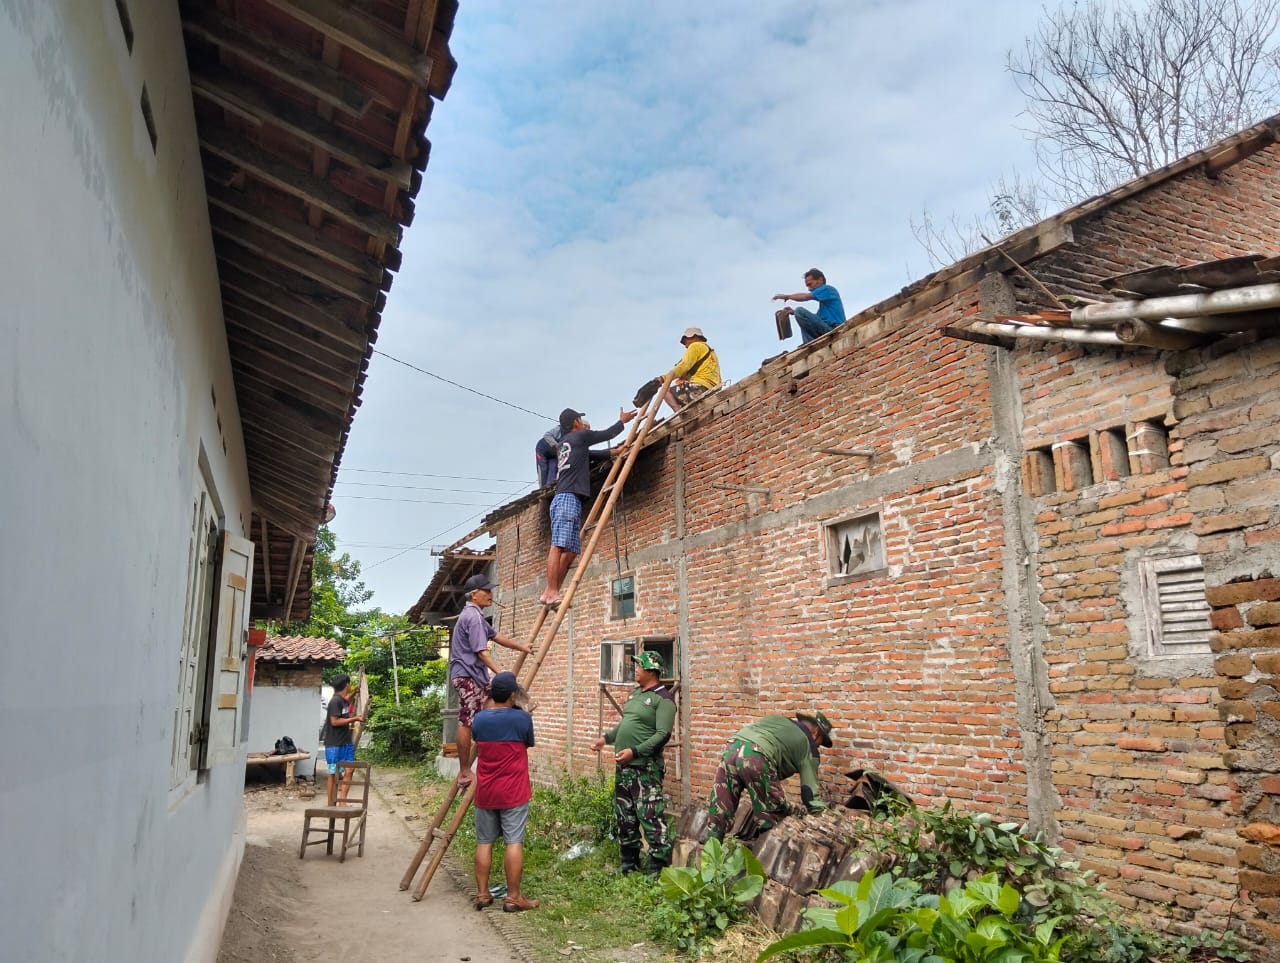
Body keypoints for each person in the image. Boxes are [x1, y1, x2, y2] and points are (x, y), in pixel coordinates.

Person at [539, 405, 637, 608]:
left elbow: (590, 455)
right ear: (576, 422)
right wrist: (622, 421)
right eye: (580, 420)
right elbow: (607, 433)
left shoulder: (566, 443)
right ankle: (550, 591)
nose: (583, 423)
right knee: (557, 545)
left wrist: (612, 452)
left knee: (572, 550)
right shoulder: (580, 437)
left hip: (569, 499)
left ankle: (552, 589)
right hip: (566, 498)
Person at [589, 651, 676, 875]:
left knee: (650, 817)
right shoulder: (636, 694)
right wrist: (606, 739)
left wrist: (635, 751)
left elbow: (662, 735)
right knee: (625, 816)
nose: (635, 669)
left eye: (640, 666)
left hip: (645, 769)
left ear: (651, 671)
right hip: (625, 769)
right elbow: (626, 724)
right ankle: (629, 865)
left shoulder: (663, 699)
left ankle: (659, 871)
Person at [450, 573, 533, 786]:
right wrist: (499, 672)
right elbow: (481, 652)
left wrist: (521, 646)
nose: (490, 594)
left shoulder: (473, 615)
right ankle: (465, 769)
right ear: (474, 595)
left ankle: (521, 708)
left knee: (498, 698)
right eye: (486, 591)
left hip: (474, 674)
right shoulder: (474, 617)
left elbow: (497, 637)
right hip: (468, 675)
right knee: (467, 719)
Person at [705, 710, 834, 841]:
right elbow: (810, 793)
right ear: (816, 732)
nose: (818, 747)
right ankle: (767, 854)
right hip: (756, 756)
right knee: (771, 811)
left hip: (733, 746)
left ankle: (711, 849)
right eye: (820, 743)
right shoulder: (809, 746)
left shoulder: (777, 721)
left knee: (721, 803)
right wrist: (823, 816)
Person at [471, 672, 539, 913]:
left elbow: (478, 740)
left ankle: (482, 894)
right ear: (512, 695)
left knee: (484, 842)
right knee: (513, 842)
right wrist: (525, 712)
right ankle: (513, 898)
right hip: (514, 792)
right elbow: (528, 742)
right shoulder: (522, 720)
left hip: (486, 791)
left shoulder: (479, 720)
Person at [772, 269, 846, 344]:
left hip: (834, 328)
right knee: (800, 316)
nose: (809, 289)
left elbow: (805, 297)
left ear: (820, 280)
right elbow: (813, 320)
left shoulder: (828, 289)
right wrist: (794, 312)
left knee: (800, 311)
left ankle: (809, 343)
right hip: (826, 327)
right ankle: (809, 344)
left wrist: (788, 297)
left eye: (810, 284)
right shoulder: (824, 308)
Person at [323, 673, 364, 804]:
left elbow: (346, 702)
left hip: (345, 742)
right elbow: (334, 721)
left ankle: (342, 801)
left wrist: (354, 694)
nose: (351, 685)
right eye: (350, 684)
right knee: (333, 773)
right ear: (347, 685)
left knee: (350, 769)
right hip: (334, 743)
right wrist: (355, 718)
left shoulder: (341, 700)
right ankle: (331, 803)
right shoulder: (335, 701)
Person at [660, 327, 721, 413]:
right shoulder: (711, 352)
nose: (685, 345)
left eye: (686, 340)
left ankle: (678, 414)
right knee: (680, 391)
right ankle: (684, 411)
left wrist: (663, 378)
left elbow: (684, 366)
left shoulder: (695, 345)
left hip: (699, 388)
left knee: (665, 391)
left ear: (694, 336)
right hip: (713, 389)